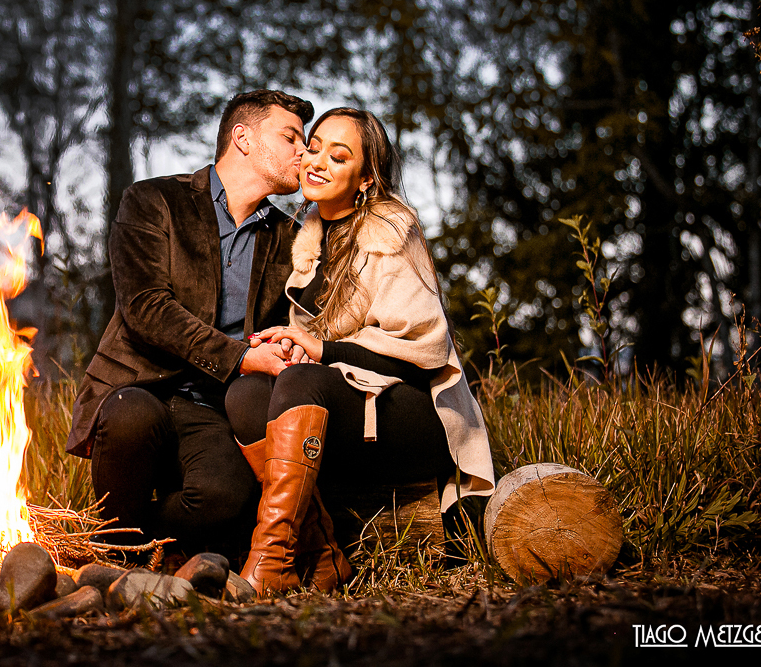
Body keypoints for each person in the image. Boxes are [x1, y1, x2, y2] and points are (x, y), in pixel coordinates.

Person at [224, 107, 496, 594]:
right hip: (347, 402)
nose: (317, 161)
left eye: (339, 155)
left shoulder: (392, 228)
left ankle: (271, 560)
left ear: (367, 177)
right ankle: (325, 558)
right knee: (244, 393)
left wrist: (320, 350)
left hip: (412, 412)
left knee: (301, 380)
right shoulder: (307, 238)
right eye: (315, 146)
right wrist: (289, 343)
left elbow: (421, 350)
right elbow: (319, 352)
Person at [65, 90, 316, 552]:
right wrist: (242, 355)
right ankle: (114, 560)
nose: (304, 151)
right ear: (242, 138)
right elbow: (146, 307)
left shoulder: (291, 238)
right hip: (142, 388)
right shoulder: (153, 200)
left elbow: (294, 322)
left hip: (214, 407)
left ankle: (121, 546)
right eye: (290, 137)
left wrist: (287, 345)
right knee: (128, 417)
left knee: (224, 499)